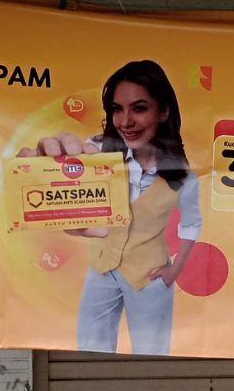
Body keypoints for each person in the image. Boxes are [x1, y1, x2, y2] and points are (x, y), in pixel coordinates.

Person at [19, 60, 201, 354]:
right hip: (102, 269)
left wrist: (175, 269)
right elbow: (75, 209)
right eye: (117, 109)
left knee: (152, 355)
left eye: (139, 108)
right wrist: (42, 172)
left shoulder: (182, 175)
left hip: (150, 275)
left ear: (164, 111)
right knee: (90, 351)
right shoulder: (97, 152)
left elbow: (191, 223)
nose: (125, 121)